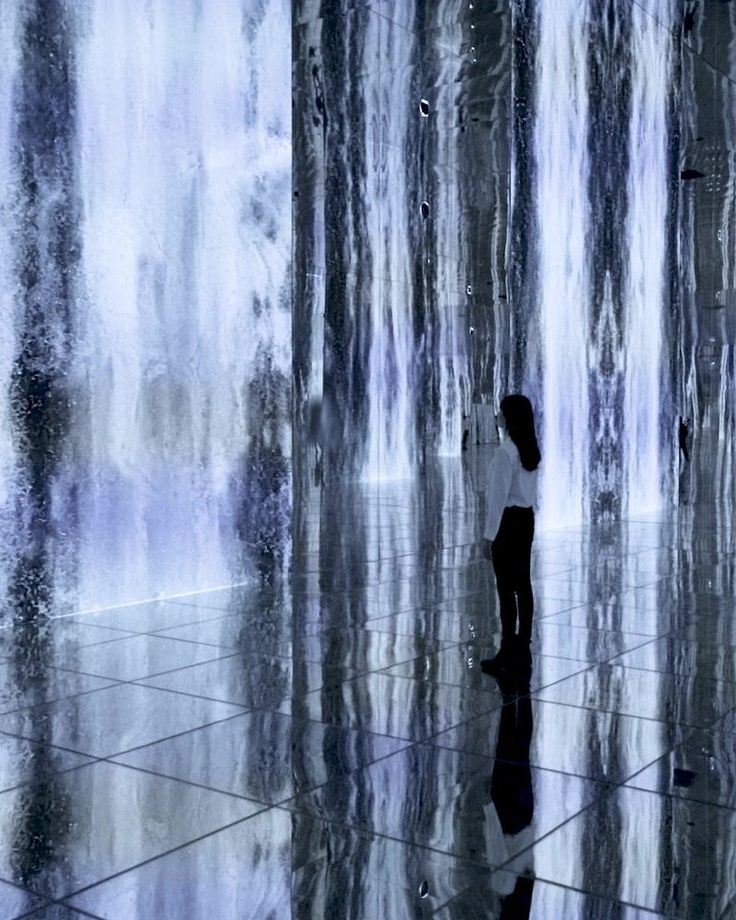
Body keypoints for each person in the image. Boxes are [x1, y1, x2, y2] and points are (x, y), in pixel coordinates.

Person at [480, 394, 541, 676]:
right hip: (526, 519)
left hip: (508, 522)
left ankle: (506, 650)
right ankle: (523, 644)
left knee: (505, 588)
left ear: (510, 417)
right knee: (523, 584)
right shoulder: (529, 448)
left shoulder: (506, 453)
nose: (498, 417)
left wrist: (488, 535)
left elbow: (497, 498)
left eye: (501, 413)